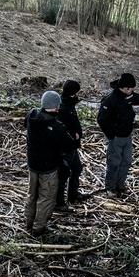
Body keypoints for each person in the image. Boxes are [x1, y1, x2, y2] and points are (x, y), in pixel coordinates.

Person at [25, 90, 75, 237]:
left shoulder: (32, 114)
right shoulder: (56, 127)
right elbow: (69, 145)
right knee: (46, 198)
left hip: (32, 164)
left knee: (32, 194)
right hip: (48, 168)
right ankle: (38, 228)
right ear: (56, 107)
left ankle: (28, 222)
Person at [56, 79, 88, 207]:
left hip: (73, 145)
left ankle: (73, 195)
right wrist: (72, 135)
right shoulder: (63, 106)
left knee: (77, 168)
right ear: (73, 92)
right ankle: (59, 202)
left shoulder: (68, 102)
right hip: (66, 146)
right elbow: (60, 126)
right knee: (63, 174)